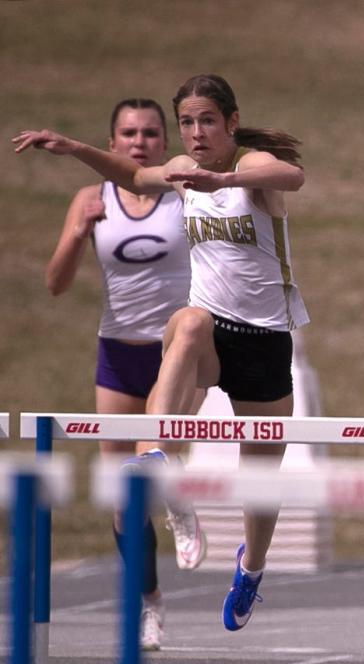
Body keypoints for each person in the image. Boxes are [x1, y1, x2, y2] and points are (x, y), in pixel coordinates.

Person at [16, 73, 310, 633]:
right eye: (187, 123)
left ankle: (252, 568)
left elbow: (293, 175)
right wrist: (74, 147)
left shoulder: (248, 169)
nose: (195, 133)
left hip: (265, 341)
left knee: (261, 483)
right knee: (188, 322)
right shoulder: (178, 172)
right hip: (211, 335)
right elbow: (131, 174)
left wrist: (219, 176)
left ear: (229, 121)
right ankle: (160, 459)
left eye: (206, 121)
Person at [43, 97, 205, 651]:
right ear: (112, 143)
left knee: (148, 466)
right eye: (129, 133)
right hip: (115, 356)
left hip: (173, 355)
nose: (140, 142)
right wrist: (75, 233)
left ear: (165, 143)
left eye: (151, 133)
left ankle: (178, 496)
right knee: (121, 499)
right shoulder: (91, 198)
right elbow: (56, 284)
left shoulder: (184, 194)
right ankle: (150, 604)